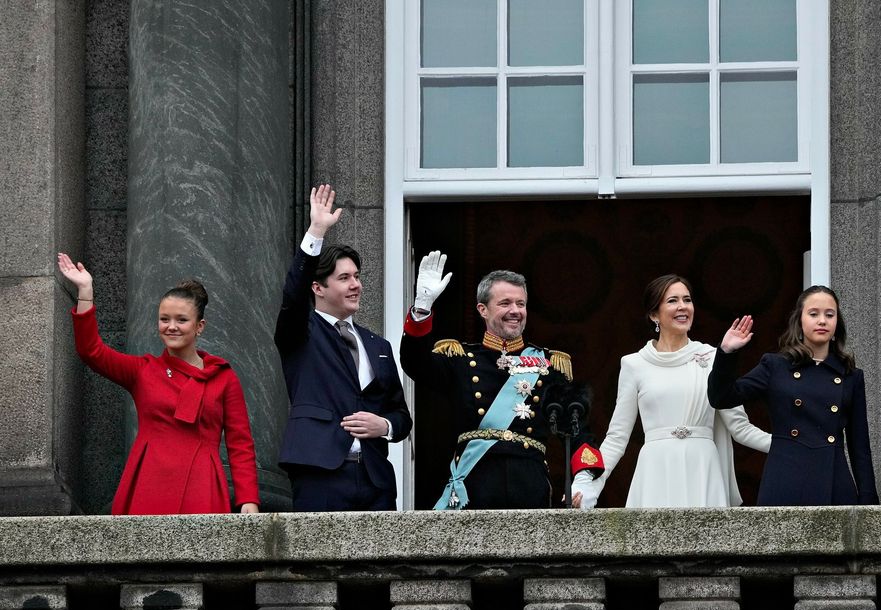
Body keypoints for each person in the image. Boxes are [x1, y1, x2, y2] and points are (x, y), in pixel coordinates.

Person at [57, 254, 260, 515]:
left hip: (202, 484)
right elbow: (91, 351)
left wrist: (248, 501)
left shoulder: (223, 377)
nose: (171, 327)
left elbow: (240, 443)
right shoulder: (143, 370)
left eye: (181, 320)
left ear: (199, 326)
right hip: (148, 483)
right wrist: (85, 291)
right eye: (164, 319)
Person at [401, 251, 604, 509]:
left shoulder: (550, 364)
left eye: (521, 304)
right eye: (505, 303)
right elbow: (414, 363)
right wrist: (422, 308)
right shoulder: (460, 357)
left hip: (529, 486)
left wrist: (584, 480)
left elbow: (577, 427)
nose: (515, 311)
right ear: (482, 309)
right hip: (474, 486)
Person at [572, 275, 770, 509]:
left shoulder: (714, 357)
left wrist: (794, 445)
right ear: (654, 315)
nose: (683, 306)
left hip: (702, 467)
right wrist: (589, 486)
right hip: (656, 469)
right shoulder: (634, 364)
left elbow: (741, 428)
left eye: (687, 299)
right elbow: (617, 438)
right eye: (672, 300)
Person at [275, 184, 412, 511]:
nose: (356, 285)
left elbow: (401, 415)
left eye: (357, 276)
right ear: (318, 287)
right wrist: (316, 231)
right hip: (320, 473)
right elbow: (293, 296)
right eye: (345, 278)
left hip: (375, 478)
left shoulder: (377, 345)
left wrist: (386, 426)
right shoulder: (301, 331)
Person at [707, 285, 877, 505]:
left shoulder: (851, 376)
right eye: (813, 314)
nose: (822, 321)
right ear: (800, 321)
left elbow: (859, 446)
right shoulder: (775, 366)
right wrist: (726, 353)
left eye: (829, 314)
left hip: (834, 480)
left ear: (838, 323)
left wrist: (869, 502)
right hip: (785, 478)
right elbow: (721, 397)